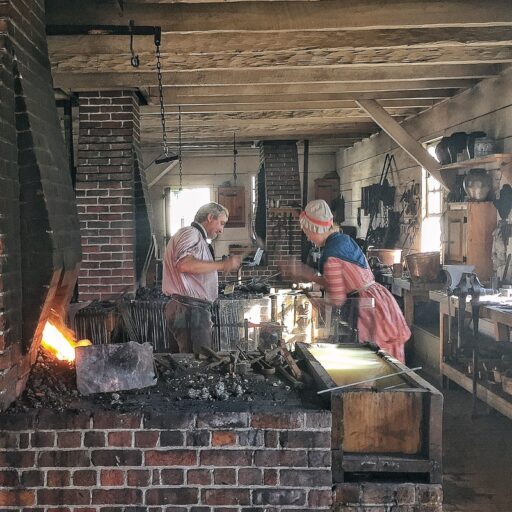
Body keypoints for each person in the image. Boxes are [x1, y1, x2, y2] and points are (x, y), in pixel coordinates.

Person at [284, 199, 410, 363]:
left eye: (307, 231)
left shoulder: (330, 255)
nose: (307, 237)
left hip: (367, 306)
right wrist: (307, 274)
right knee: (389, 361)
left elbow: (338, 298)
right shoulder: (343, 240)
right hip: (380, 297)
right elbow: (340, 282)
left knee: (374, 362)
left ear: (316, 228)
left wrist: (316, 302)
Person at [162, 202, 241, 354]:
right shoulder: (191, 233)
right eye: (221, 223)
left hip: (189, 310)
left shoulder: (196, 237)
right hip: (189, 311)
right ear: (210, 217)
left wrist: (216, 271)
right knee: (196, 365)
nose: (221, 230)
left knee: (187, 362)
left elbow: (192, 268)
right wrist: (222, 265)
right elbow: (184, 265)